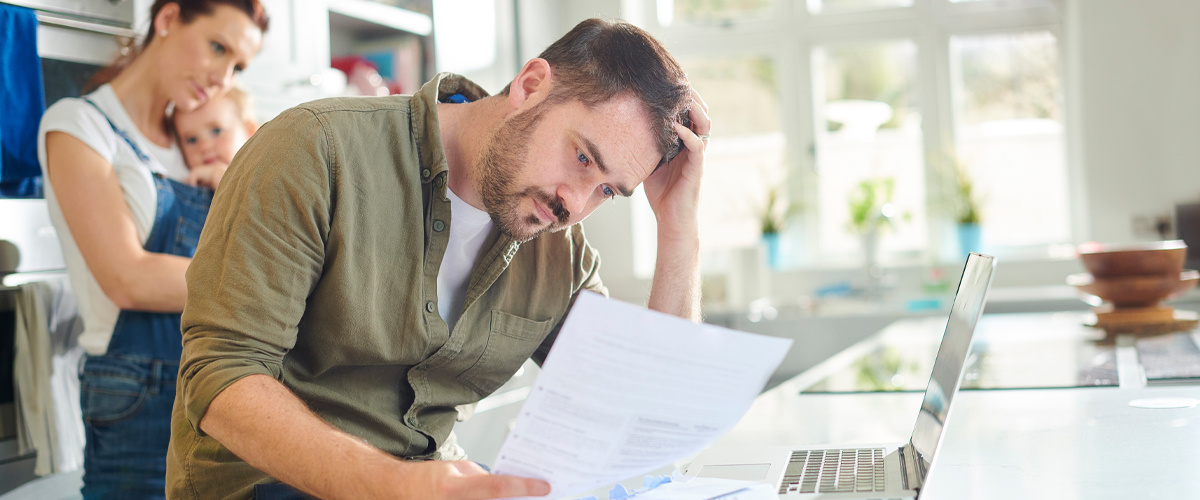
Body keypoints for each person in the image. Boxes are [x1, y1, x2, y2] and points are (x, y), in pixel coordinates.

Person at [167, 18, 710, 500]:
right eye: (583, 156)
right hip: (270, 486)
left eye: (608, 191)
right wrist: (394, 484)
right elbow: (222, 375)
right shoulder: (316, 147)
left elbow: (641, 412)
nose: (575, 203)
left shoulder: (560, 255)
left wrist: (679, 231)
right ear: (530, 85)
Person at [35, 1, 268, 498]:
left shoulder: (199, 137)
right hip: (137, 395)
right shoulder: (81, 126)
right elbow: (128, 278)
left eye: (237, 66)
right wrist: (270, 288)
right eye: (217, 46)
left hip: (231, 384)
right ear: (167, 19)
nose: (222, 76)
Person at [174, 86, 258, 189]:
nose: (205, 147)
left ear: (249, 132)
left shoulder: (263, 177)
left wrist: (220, 176)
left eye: (216, 131)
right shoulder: (188, 183)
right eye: (192, 140)